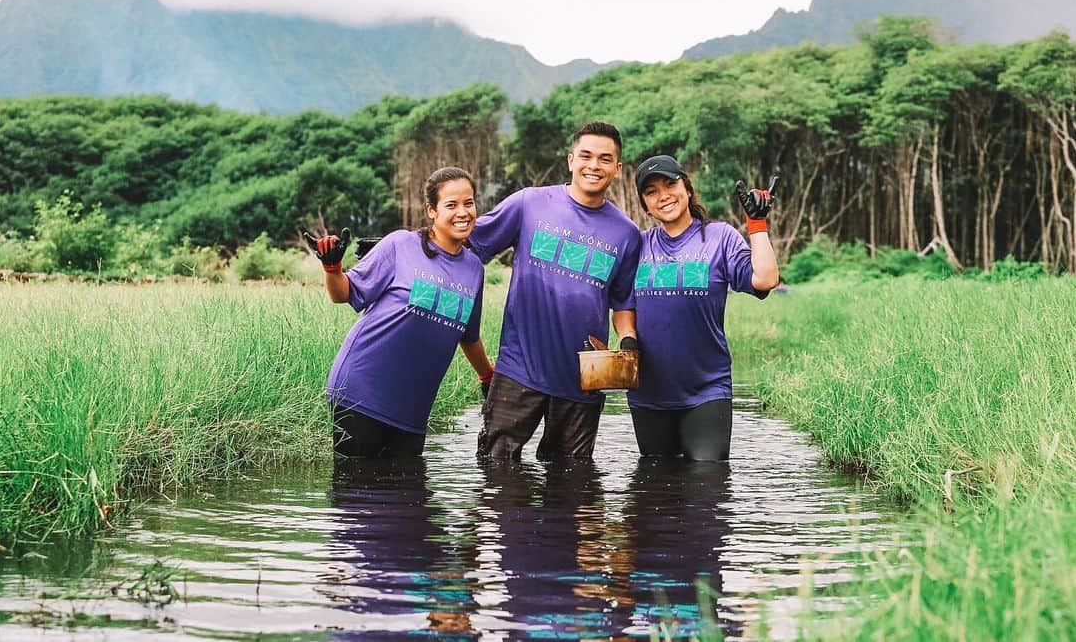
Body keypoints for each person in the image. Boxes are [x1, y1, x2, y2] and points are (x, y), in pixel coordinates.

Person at [469, 122, 642, 460]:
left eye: (605, 159)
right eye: (586, 156)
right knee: (496, 465)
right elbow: (469, 246)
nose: (594, 166)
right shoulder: (529, 203)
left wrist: (628, 339)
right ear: (570, 160)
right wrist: (409, 249)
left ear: (617, 169)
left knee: (572, 478)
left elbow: (622, 302)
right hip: (519, 366)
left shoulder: (628, 234)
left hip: (583, 376)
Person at [305, 167, 495, 459]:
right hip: (362, 392)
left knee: (410, 499)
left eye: (469, 203)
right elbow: (344, 293)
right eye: (451, 205)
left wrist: (487, 376)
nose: (463, 212)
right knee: (357, 491)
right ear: (431, 210)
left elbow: (468, 336)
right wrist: (332, 267)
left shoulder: (473, 269)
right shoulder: (400, 245)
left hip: (412, 409)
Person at [628, 155, 779, 461]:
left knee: (708, 487)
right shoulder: (637, 246)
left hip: (707, 389)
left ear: (687, 187)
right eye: (651, 191)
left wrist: (757, 224)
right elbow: (620, 304)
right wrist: (626, 338)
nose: (664, 196)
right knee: (656, 492)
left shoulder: (719, 237)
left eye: (670, 184)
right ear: (645, 204)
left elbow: (765, 279)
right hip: (648, 393)